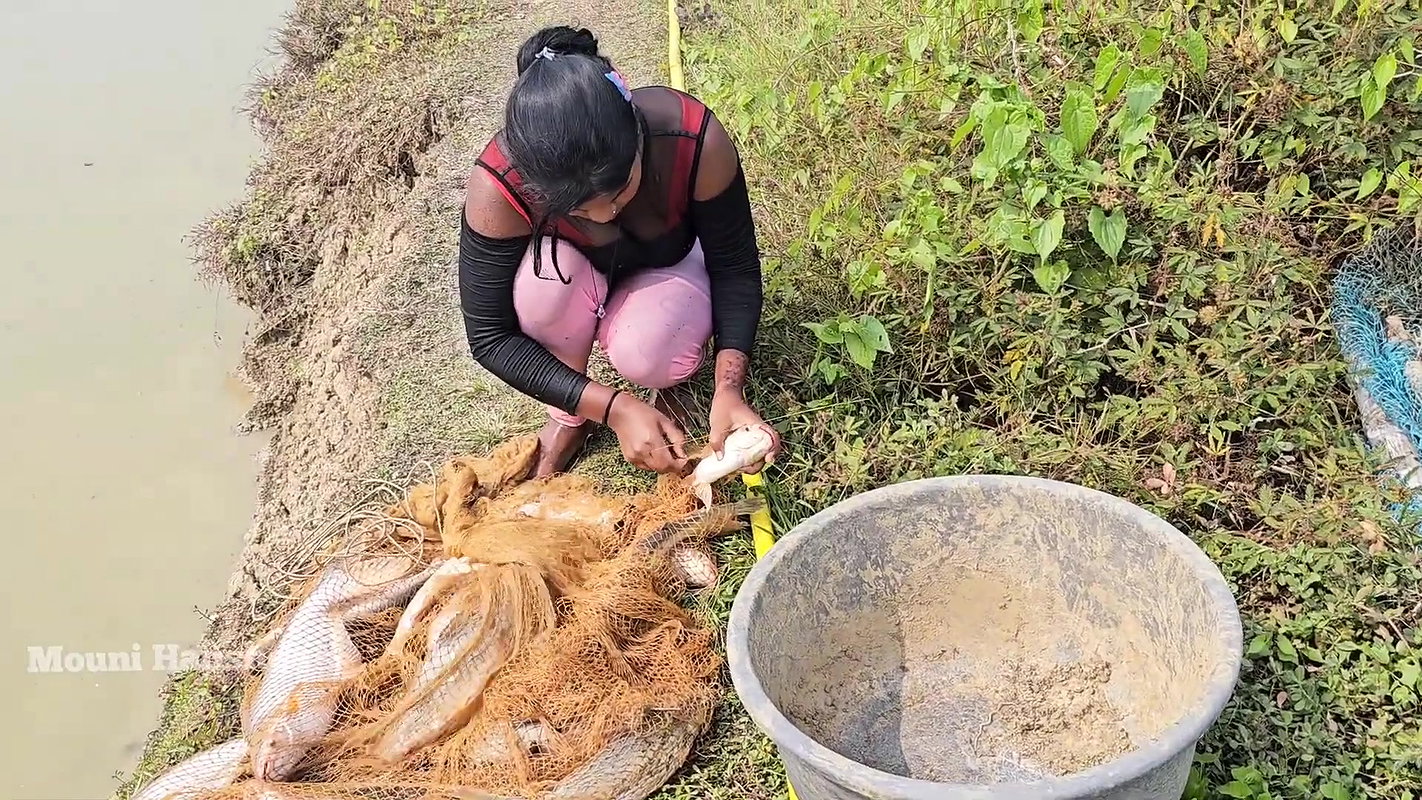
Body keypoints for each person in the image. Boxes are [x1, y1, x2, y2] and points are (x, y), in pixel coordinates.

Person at [458, 25, 782, 477]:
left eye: (621, 189)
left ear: (637, 133)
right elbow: (491, 337)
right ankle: (572, 414)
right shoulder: (498, 188)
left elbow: (735, 266)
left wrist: (729, 387)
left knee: (653, 347)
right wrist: (612, 407)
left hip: (670, 269)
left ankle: (674, 382)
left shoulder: (691, 138)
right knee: (538, 293)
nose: (607, 215)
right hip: (576, 283)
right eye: (580, 210)